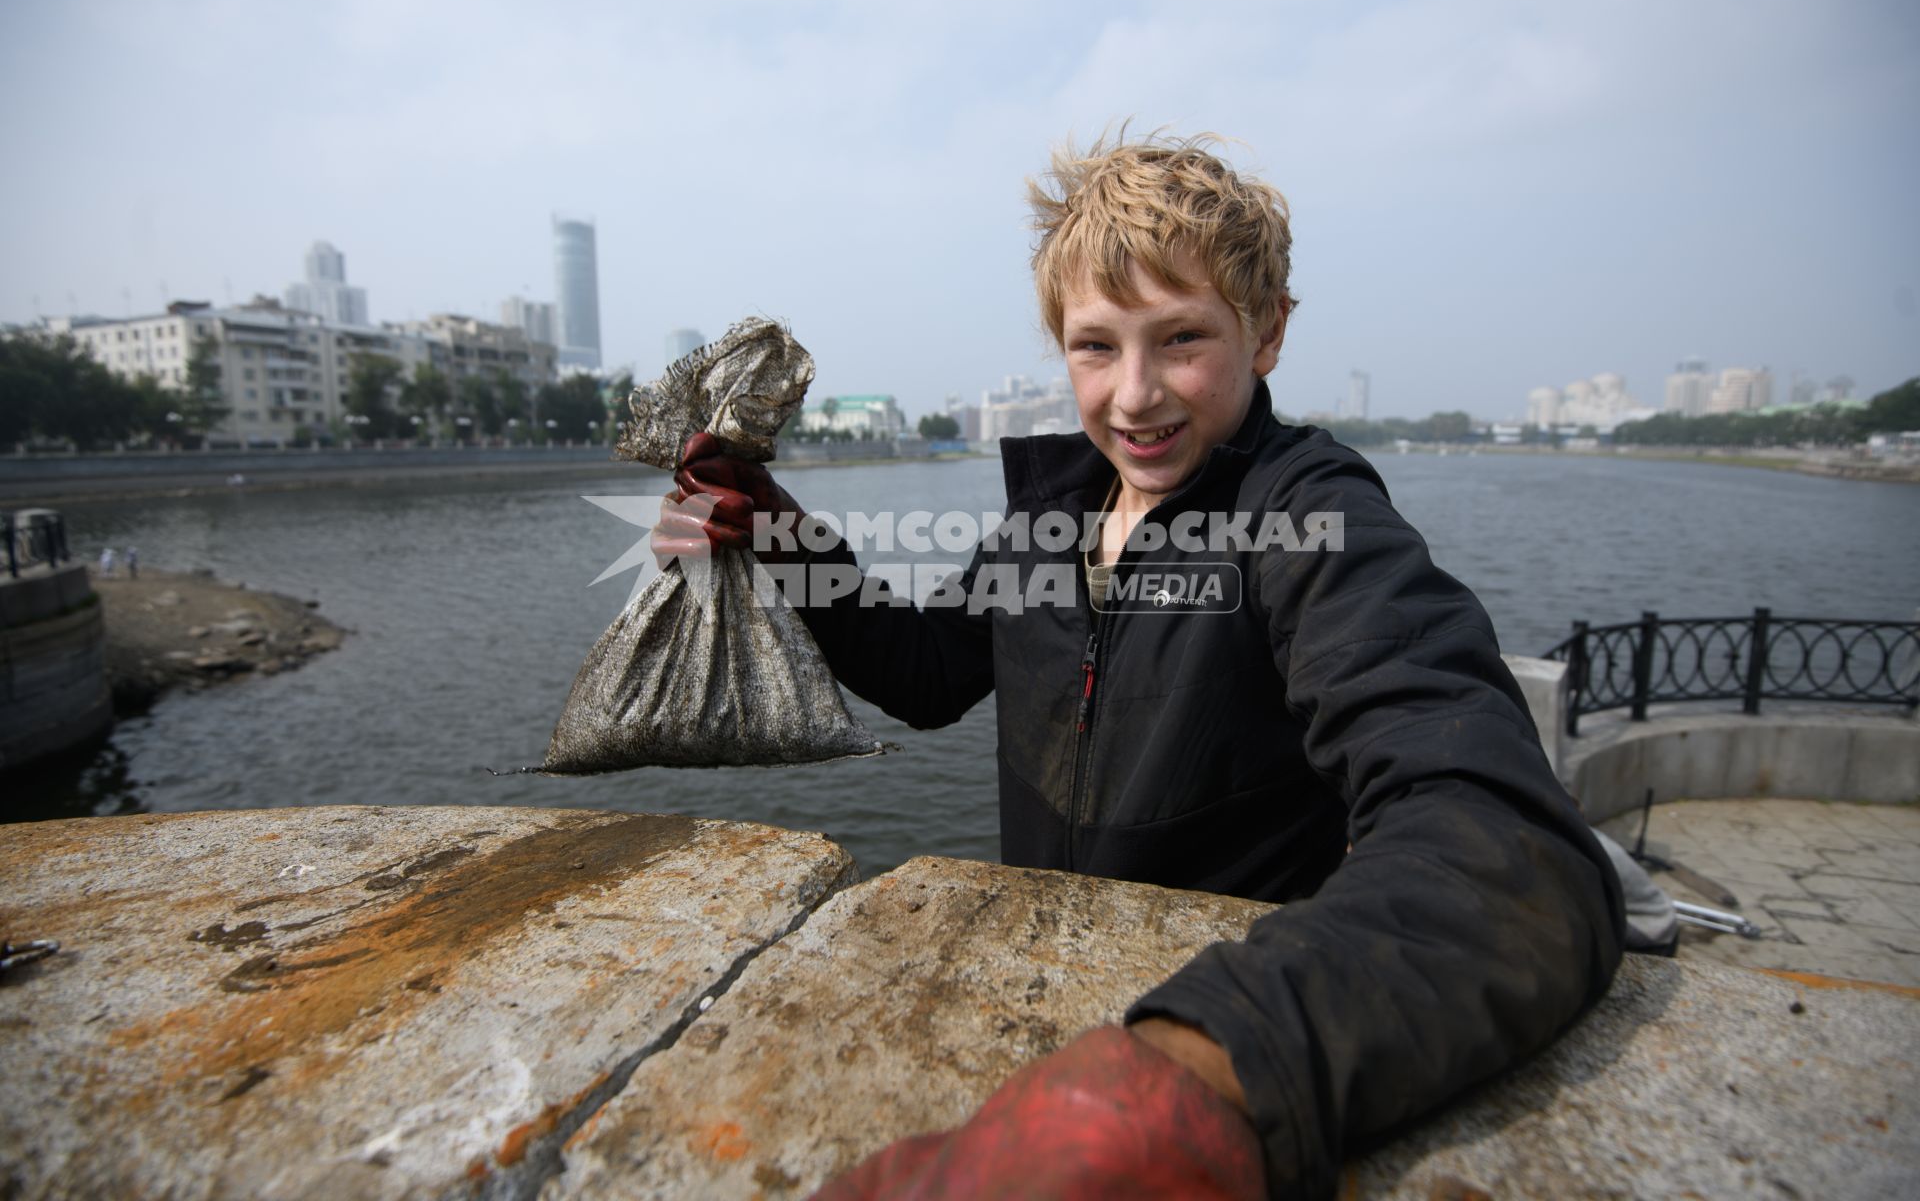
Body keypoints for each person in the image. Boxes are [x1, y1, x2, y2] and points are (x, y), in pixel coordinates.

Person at [655, 132, 1624, 1199]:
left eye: (1181, 338)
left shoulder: (1306, 516)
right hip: (1041, 993)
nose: (1134, 394)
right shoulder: (1051, 518)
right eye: (1095, 347)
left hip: (1213, 1011)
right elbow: (927, 671)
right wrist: (780, 531)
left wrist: (1178, 1090)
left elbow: (1507, 847)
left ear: (1268, 332)